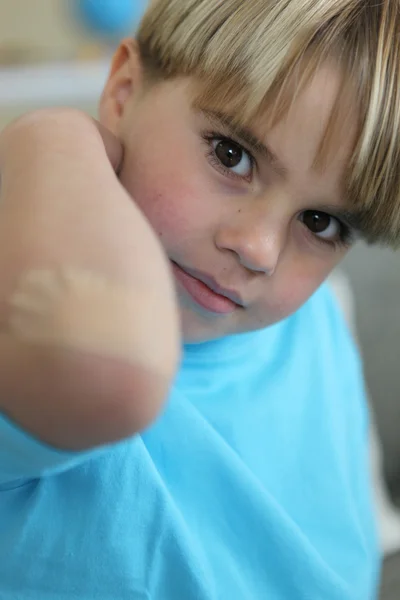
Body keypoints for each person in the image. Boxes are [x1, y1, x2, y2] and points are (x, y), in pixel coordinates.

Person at [0, 0, 399, 597]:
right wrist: (51, 134)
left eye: (320, 222)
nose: (260, 249)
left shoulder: (319, 314)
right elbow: (102, 377)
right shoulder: (30, 320)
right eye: (231, 155)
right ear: (124, 89)